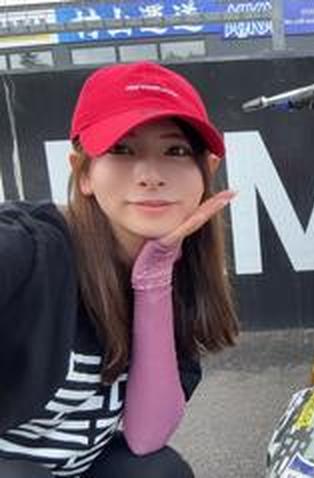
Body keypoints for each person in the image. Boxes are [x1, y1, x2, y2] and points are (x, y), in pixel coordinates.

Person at [0, 61, 238, 477]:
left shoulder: (179, 271)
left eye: (176, 151)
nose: (151, 176)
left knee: (160, 471)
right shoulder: (32, 248)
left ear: (207, 171)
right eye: (122, 150)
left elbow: (146, 436)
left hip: (79, 469)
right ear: (84, 173)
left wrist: (153, 280)